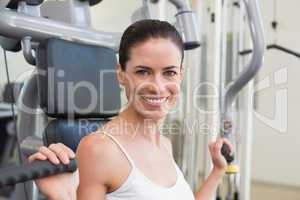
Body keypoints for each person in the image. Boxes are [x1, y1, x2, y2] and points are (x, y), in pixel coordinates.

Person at [29, 19, 233, 200]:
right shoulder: (99, 150)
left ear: (180, 74)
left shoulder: (164, 144)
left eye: (169, 72)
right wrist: (63, 196)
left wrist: (217, 170)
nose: (158, 86)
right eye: (143, 72)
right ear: (120, 73)